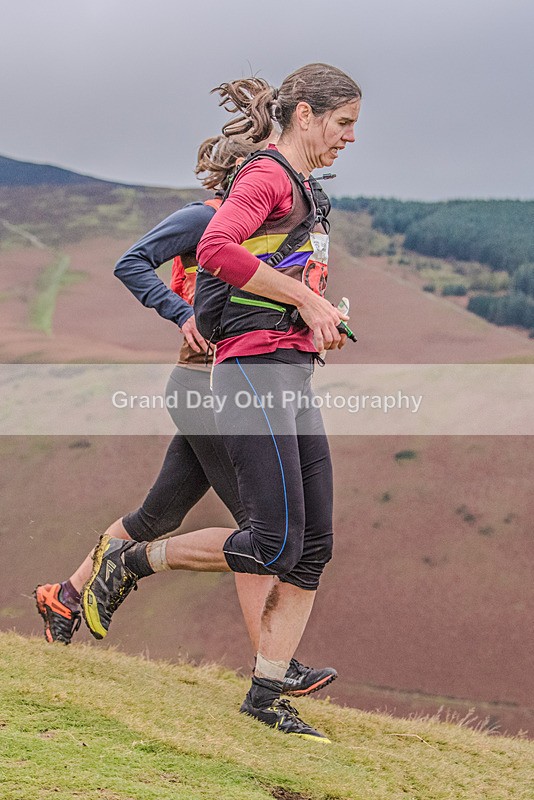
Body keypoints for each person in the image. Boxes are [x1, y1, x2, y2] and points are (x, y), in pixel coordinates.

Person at [82, 63, 361, 742]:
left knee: (312, 547)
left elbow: (284, 272)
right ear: (305, 115)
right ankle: (129, 561)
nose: (351, 137)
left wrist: (322, 315)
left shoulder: (306, 190)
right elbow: (215, 246)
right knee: (270, 541)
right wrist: (305, 300)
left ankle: (267, 694)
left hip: (291, 372)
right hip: (251, 374)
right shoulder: (266, 175)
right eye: (344, 123)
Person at [34, 131, 336, 699]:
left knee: (157, 514)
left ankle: (65, 597)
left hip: (211, 386)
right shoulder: (207, 218)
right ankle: (274, 667)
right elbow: (132, 262)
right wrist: (180, 313)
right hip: (208, 385)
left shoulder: (270, 229)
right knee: (263, 531)